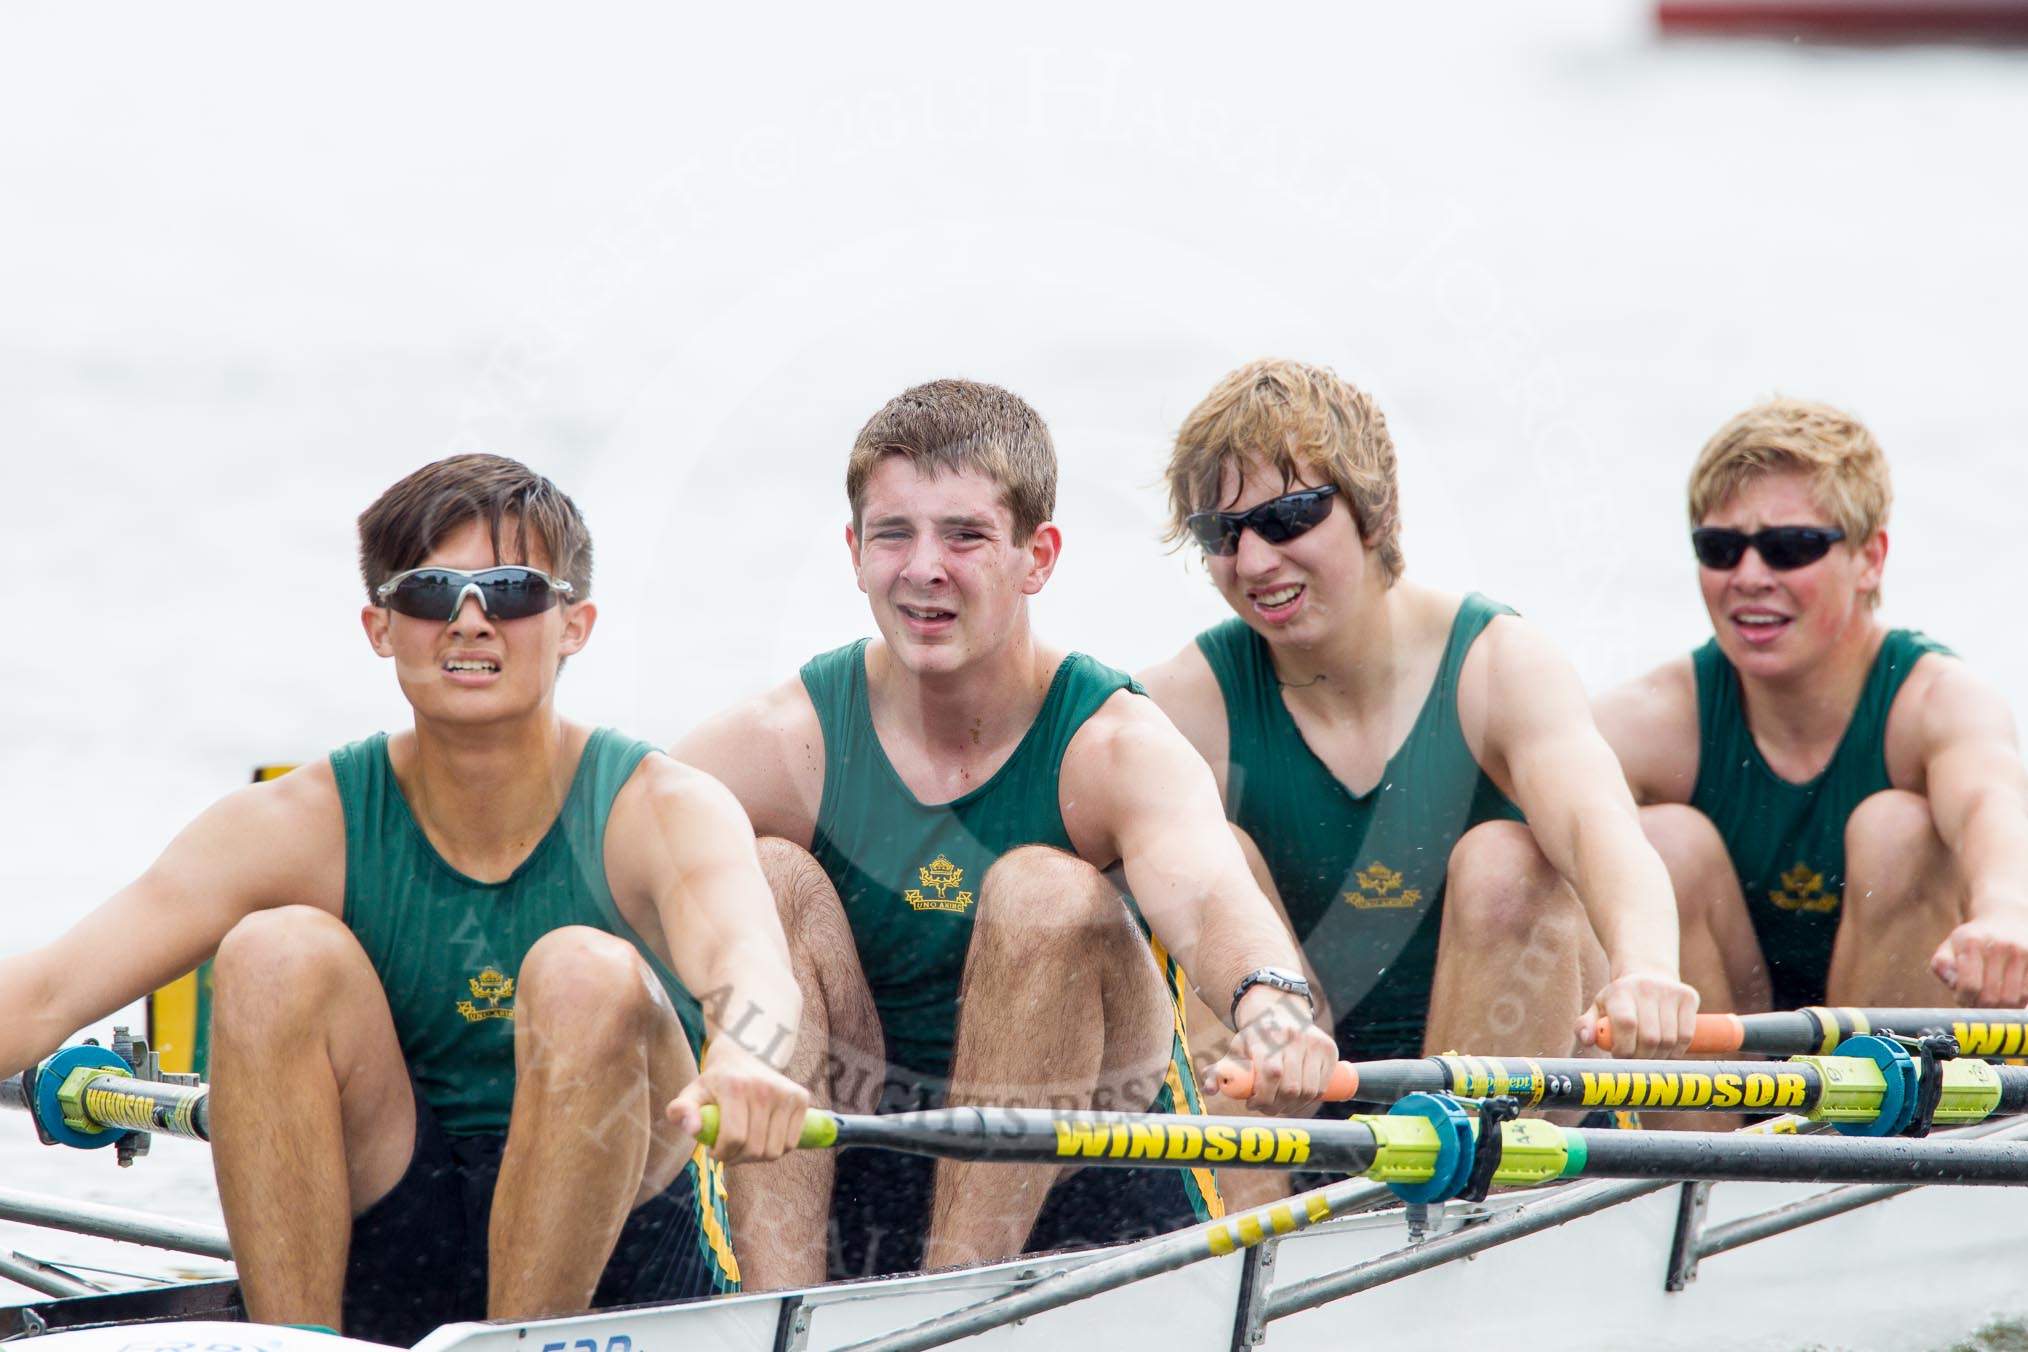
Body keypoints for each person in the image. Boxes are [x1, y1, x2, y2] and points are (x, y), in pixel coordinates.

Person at [0, 455, 809, 1343]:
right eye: (430, 592)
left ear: (574, 623)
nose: (470, 620)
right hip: (395, 1238)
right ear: (380, 626)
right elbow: (45, 994)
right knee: (273, 953)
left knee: (583, 971)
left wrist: (747, 1058)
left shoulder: (660, 806)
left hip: (627, 1261)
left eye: (509, 590)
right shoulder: (301, 823)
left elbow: (749, 963)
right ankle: (296, 1343)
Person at [675, 379, 1339, 1287]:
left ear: (1038, 556)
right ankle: (781, 1311)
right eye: (894, 534)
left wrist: (1272, 1007)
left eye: (966, 536)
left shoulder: (1109, 742)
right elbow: (605, 858)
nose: (924, 569)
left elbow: (1215, 893)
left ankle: (955, 1310)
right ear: (855, 552)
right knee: (766, 874)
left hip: (1096, 1180)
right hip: (861, 1170)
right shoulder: (786, 740)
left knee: (1046, 889)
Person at [1137, 359, 1697, 1197]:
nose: (1253, 561)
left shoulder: (1498, 665)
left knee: (1508, 861)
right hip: (1295, 1113)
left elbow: (1604, 836)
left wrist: (1648, 968)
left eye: (1288, 517)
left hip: (1520, 1114)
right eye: (1222, 534)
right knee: (1208, 865)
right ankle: (1243, 1257)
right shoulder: (1185, 702)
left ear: (1373, 510)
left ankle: (1471, 1226)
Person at [1595, 397, 2028, 1016]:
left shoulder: (1940, 702)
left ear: (1870, 561)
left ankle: (1883, 1112)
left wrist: (2009, 914)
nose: (1748, 575)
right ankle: (1701, 1112)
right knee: (1663, 841)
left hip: (1899, 1073)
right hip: (1730, 1070)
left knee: (1899, 830)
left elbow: (1993, 805)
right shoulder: (1653, 718)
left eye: (1790, 546)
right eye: (1720, 547)